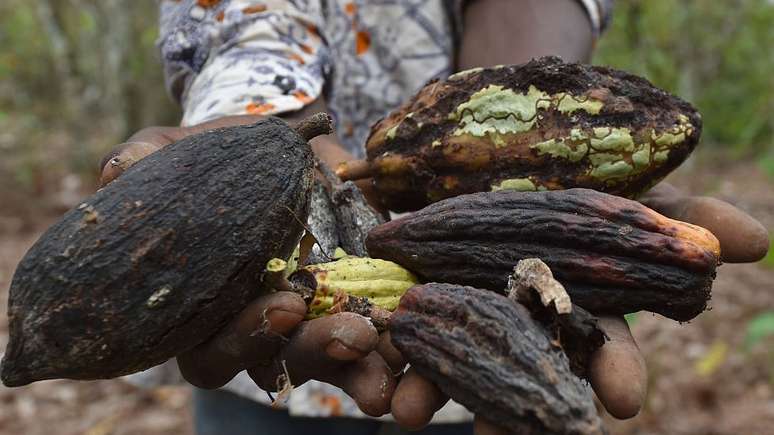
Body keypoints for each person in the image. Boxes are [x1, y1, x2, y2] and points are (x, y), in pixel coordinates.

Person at [99, 1, 770, 434]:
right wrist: (261, 128)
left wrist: (513, 97)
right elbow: (247, 20)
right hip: (272, 374)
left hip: (458, 357)